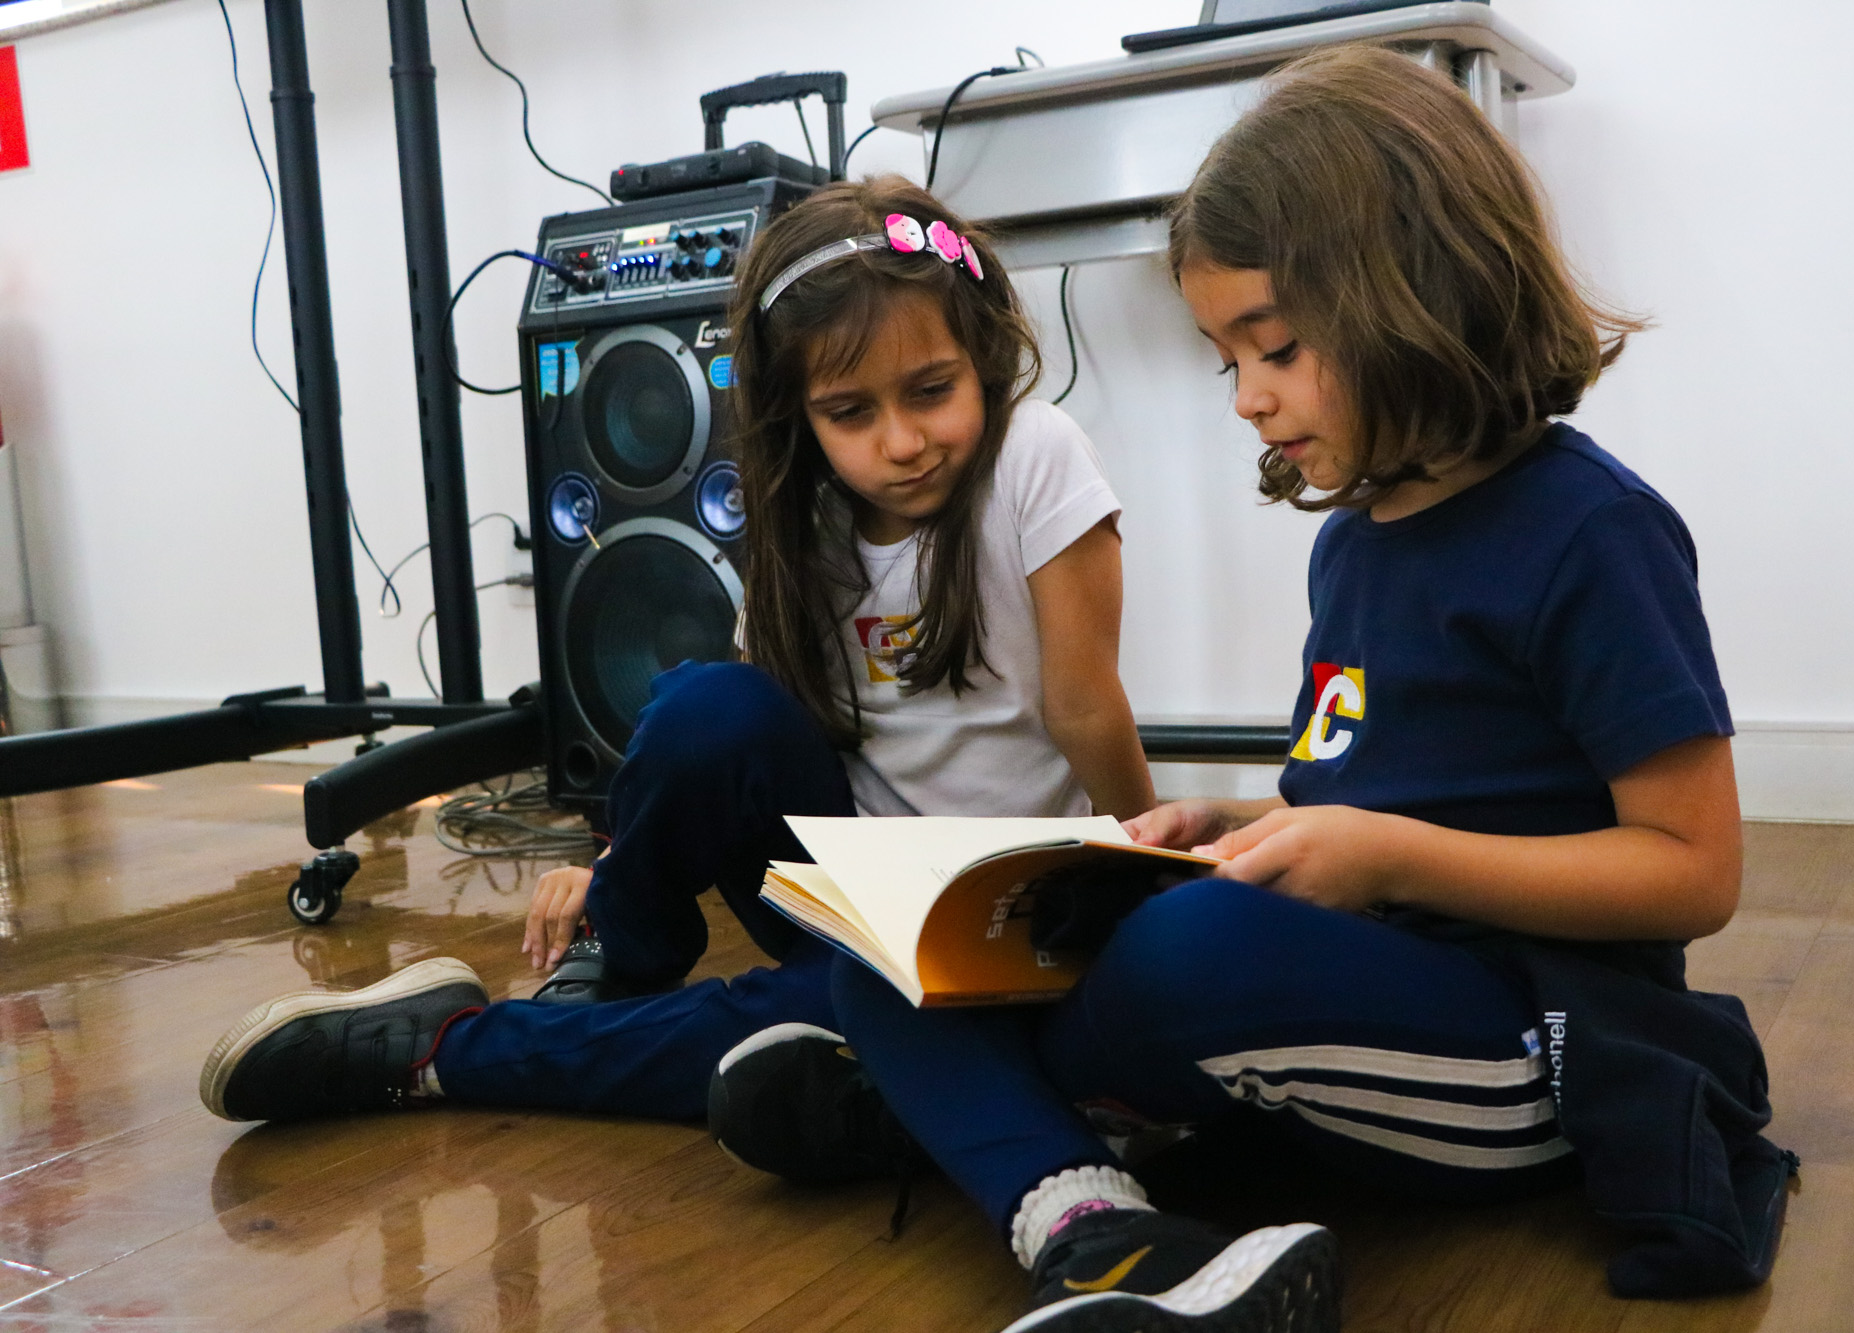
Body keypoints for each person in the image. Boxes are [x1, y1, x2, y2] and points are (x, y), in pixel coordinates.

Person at [707, 46, 1791, 1333]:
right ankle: (1090, 1229)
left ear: (1416, 293)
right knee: (888, 953)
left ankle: (943, 1113)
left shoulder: (1590, 533)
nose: (1246, 399)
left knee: (1180, 953)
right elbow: (1373, 791)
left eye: (1270, 348)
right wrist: (1242, 827)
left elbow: (1692, 873)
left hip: (1528, 1046)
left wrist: (1378, 854)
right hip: (1355, 984)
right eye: (1226, 361)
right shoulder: (1355, 541)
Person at [196, 176, 1154, 1129]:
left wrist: (1149, 890)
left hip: (1002, 914)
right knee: (711, 704)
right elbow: (729, 743)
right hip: (853, 887)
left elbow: (1083, 706)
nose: (902, 442)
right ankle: (621, 949)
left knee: (817, 1020)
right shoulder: (806, 513)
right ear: (799, 413)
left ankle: (440, 1052)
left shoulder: (1037, 452)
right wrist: (618, 866)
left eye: (931, 392)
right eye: (850, 412)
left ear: (982, 354)